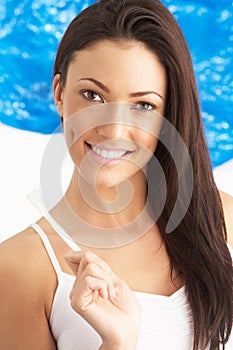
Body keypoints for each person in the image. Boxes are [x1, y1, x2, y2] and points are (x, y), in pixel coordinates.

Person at [0, 0, 233, 349]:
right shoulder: (20, 268)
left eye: (143, 105)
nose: (114, 130)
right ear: (60, 94)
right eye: (92, 95)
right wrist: (116, 342)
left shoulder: (222, 220)